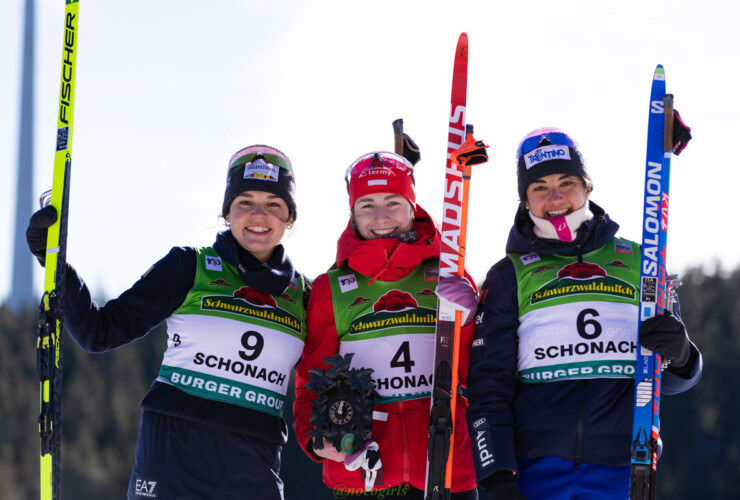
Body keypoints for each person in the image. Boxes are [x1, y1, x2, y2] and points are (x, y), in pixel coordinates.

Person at [27, 145, 309, 500]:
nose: (258, 214)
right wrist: (55, 265)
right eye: (245, 201)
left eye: (273, 203)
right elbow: (99, 332)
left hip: (253, 466)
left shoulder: (304, 296)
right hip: (172, 459)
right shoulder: (188, 267)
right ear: (226, 213)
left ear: (290, 217)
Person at [465, 128, 703, 500]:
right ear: (525, 199)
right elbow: (487, 387)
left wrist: (682, 355)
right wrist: (496, 475)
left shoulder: (641, 262)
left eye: (567, 182)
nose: (556, 198)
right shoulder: (509, 275)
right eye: (540, 187)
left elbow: (669, 382)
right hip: (533, 470)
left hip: (622, 466)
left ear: (587, 187)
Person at [293, 151, 479, 499]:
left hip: (446, 466)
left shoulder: (448, 273)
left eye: (393, 202)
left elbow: (477, 370)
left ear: (413, 207)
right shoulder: (329, 288)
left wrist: (468, 321)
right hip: (363, 472)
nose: (381, 217)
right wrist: (319, 441)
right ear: (352, 213)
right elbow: (309, 385)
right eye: (367, 205)